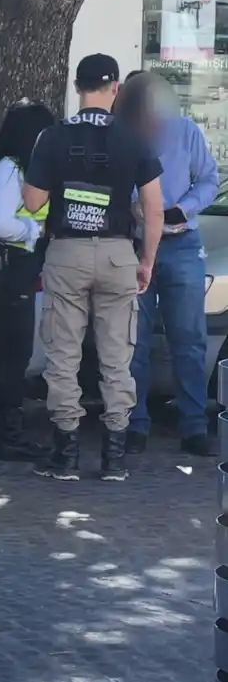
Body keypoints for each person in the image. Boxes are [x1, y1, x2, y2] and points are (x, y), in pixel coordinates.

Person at [23, 53, 164, 482]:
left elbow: (33, 201)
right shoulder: (134, 138)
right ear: (115, 88)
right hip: (119, 253)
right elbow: (154, 210)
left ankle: (65, 454)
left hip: (67, 253)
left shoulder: (53, 136)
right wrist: (146, 261)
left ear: (77, 87)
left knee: (63, 356)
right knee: (116, 357)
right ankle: (114, 458)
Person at [117, 72, 219, 457]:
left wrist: (184, 208)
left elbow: (209, 180)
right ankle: (134, 424)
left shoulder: (185, 130)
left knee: (189, 340)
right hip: (133, 242)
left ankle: (193, 426)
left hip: (180, 243)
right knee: (133, 340)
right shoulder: (120, 134)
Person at [0, 99, 54, 461]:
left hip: (5, 265)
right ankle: (10, 435)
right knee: (14, 353)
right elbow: (2, 224)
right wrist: (34, 229)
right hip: (13, 263)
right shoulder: (8, 170)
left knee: (4, 350)